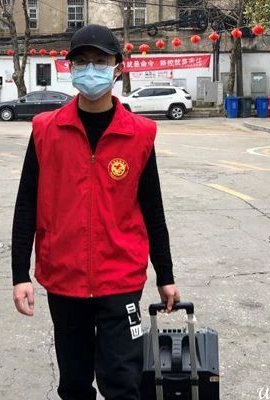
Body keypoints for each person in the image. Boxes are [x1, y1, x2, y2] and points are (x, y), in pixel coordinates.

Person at [11, 24, 180, 400]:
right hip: (64, 277)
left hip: (120, 279)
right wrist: (19, 274)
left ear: (118, 67)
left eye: (100, 61)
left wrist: (165, 275)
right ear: (69, 68)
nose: (91, 70)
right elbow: (26, 205)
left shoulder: (138, 134)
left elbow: (152, 210)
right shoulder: (46, 130)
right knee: (74, 384)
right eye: (82, 61)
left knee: (123, 383)